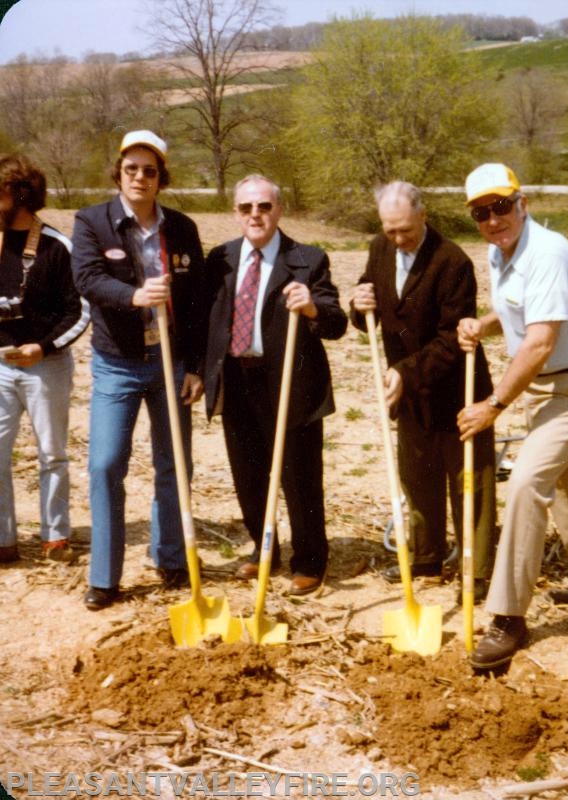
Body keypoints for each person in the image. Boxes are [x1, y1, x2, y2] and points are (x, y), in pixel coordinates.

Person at [456, 163, 568, 670]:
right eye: (481, 212)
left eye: (501, 206)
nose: (493, 219)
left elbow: (540, 342)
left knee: (529, 480)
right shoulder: (499, 250)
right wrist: (483, 323)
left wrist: (492, 406)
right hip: (550, 387)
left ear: (522, 201)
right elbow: (520, 315)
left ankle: (508, 616)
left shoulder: (547, 252)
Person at [71, 130, 206, 610]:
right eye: (132, 168)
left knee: (174, 464)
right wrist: (134, 296)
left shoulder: (183, 228)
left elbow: (197, 301)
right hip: (118, 365)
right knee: (106, 463)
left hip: (172, 365)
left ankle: (170, 558)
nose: (140, 177)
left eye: (150, 170)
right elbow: (87, 279)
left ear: (160, 178)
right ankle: (105, 576)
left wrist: (197, 368)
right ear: (119, 172)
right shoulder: (92, 222)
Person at [349, 181, 497, 602]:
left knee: (469, 483)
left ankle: (478, 569)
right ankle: (427, 556)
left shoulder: (452, 262)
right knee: (418, 477)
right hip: (410, 393)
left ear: (423, 215)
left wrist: (405, 373)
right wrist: (358, 305)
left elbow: (453, 337)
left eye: (405, 231)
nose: (397, 239)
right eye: (389, 230)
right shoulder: (381, 248)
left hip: (456, 389)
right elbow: (371, 311)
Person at [204, 174, 347, 596]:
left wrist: (313, 308)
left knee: (299, 475)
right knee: (248, 474)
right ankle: (263, 547)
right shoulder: (221, 259)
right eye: (247, 207)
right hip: (237, 378)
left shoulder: (307, 259)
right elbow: (206, 323)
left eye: (264, 206)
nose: (255, 215)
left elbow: (336, 323)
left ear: (278, 210)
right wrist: (199, 371)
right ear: (236, 212)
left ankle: (309, 559)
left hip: (290, 381)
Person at [0, 154, 90, 565]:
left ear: (18, 195)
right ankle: (4, 541)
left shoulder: (58, 247)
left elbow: (80, 312)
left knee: (52, 453)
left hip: (45, 367)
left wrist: (45, 348)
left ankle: (55, 536)